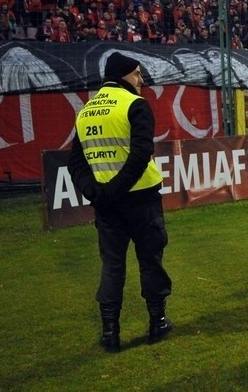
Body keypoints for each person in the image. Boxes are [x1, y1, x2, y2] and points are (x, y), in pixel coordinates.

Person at [67, 53, 173, 352]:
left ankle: (110, 333)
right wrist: (116, 189)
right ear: (125, 75)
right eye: (138, 74)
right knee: (150, 261)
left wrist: (96, 192)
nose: (141, 80)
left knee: (112, 267)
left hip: (105, 204)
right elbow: (141, 154)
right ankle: (157, 322)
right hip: (141, 198)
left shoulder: (86, 111)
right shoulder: (135, 105)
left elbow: (75, 161)